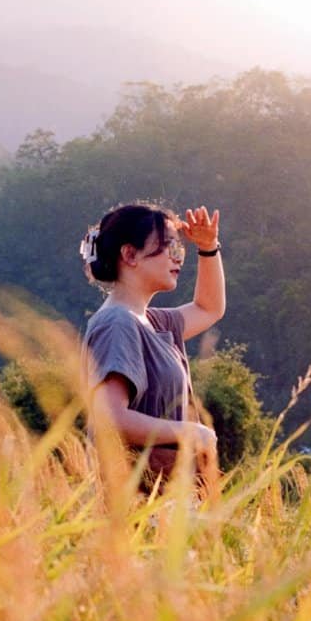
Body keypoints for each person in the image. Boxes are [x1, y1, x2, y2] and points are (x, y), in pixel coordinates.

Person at [79, 202, 225, 494]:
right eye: (168, 248)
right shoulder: (117, 322)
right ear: (130, 254)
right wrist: (192, 433)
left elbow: (209, 308)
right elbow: (111, 418)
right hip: (138, 504)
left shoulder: (154, 322)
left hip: (164, 497)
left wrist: (208, 248)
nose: (178, 259)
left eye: (179, 249)